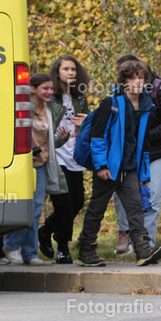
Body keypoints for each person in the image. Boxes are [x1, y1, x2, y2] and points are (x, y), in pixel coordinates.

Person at [76, 59, 161, 267]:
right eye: (134, 78)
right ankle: (86, 249)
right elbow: (97, 137)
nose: (139, 82)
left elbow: (143, 144)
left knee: (136, 207)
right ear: (124, 81)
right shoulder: (111, 103)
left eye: (142, 78)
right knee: (97, 208)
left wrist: (144, 175)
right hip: (109, 167)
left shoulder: (146, 106)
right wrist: (101, 166)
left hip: (130, 168)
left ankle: (142, 249)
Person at [113, 56, 161, 251]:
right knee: (128, 197)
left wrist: (145, 136)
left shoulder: (160, 88)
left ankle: (146, 244)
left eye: (138, 76)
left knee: (151, 197)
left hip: (156, 151)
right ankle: (130, 238)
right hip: (130, 152)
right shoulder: (120, 93)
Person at [3, 73, 66, 266]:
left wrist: (61, 140)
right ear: (33, 89)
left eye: (51, 89)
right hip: (23, 164)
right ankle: (11, 245)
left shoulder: (50, 111)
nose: (49, 92)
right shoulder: (24, 108)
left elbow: (47, 142)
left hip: (41, 165)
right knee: (25, 208)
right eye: (45, 88)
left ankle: (30, 254)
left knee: (36, 210)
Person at [38, 55, 90, 264]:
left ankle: (45, 230)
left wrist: (87, 120)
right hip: (56, 155)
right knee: (64, 205)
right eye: (66, 69)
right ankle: (63, 247)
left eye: (73, 69)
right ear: (57, 72)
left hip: (75, 154)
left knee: (77, 201)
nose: (70, 73)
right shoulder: (51, 97)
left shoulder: (80, 97)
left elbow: (89, 122)